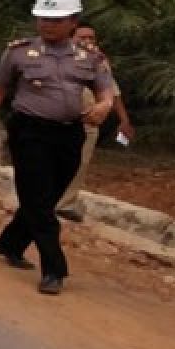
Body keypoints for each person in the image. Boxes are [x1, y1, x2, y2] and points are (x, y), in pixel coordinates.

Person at [0, 0, 114, 295]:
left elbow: (106, 91)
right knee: (37, 199)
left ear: (73, 21)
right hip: (29, 131)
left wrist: (102, 107)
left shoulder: (90, 57)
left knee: (47, 197)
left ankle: (9, 243)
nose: (47, 24)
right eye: (43, 18)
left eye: (55, 19)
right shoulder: (18, 52)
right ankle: (54, 268)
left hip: (69, 133)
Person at [54, 23, 134, 222]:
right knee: (53, 159)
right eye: (83, 37)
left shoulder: (99, 62)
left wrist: (123, 119)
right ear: (72, 38)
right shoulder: (59, 57)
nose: (88, 41)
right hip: (60, 119)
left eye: (91, 37)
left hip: (90, 121)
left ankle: (65, 204)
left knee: (80, 163)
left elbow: (112, 92)